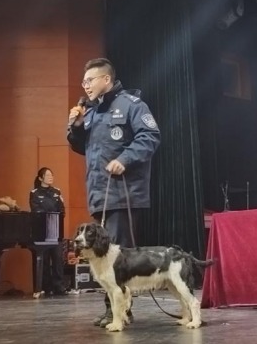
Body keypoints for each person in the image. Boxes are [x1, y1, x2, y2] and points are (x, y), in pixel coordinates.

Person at [67, 58, 161, 327]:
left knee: (115, 257)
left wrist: (125, 159)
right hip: (99, 193)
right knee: (103, 256)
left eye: (90, 80)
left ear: (106, 79)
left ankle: (118, 312)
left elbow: (150, 137)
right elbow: (82, 147)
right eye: (83, 82)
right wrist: (76, 126)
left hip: (124, 193)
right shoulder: (91, 112)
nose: (85, 86)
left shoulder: (132, 105)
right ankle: (117, 309)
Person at [29, 167, 67, 296]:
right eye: (48, 175)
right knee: (44, 259)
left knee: (58, 258)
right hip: (42, 230)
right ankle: (46, 287)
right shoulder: (34, 193)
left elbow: (61, 209)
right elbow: (35, 210)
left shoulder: (57, 192)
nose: (51, 177)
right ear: (41, 178)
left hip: (56, 229)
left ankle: (59, 286)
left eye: (52, 175)